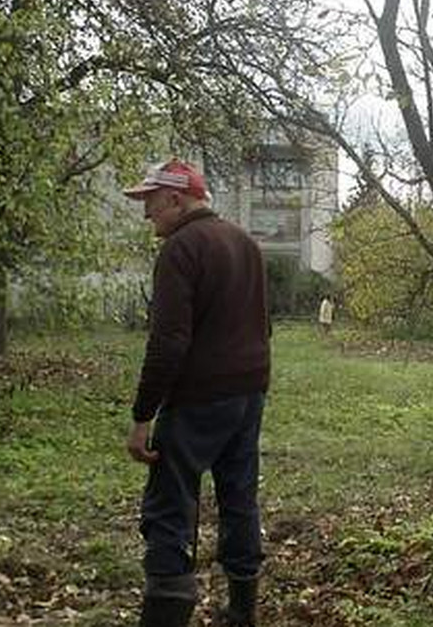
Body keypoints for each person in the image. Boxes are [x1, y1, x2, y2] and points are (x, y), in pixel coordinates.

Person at [123, 159, 270, 627]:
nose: (146, 214)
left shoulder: (180, 249)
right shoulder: (245, 243)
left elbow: (168, 341)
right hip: (249, 394)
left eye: (149, 202)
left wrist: (143, 416)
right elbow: (263, 325)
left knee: (170, 502)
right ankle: (242, 612)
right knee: (239, 497)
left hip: (198, 399)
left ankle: (166, 611)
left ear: (175, 199)